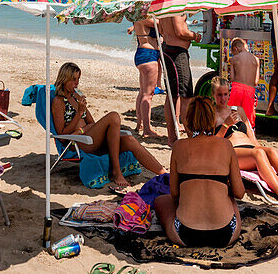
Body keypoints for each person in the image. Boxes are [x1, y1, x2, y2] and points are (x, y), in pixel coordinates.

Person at [50, 62, 166, 191]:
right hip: (77, 143)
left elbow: (92, 124)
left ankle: (165, 174)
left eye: (78, 79)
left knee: (130, 140)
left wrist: (82, 127)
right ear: (64, 79)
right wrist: (79, 114)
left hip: (88, 138)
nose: (76, 83)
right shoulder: (58, 102)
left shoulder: (76, 98)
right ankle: (117, 171)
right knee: (113, 116)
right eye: (73, 80)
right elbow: (62, 136)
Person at [154, 96, 244, 248]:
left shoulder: (178, 146)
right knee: (231, 199)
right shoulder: (226, 145)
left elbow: (175, 194)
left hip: (185, 233)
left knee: (160, 201)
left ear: (188, 120)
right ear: (212, 119)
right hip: (225, 233)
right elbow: (240, 192)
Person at [210, 76, 278, 200]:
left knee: (271, 151)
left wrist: (262, 149)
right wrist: (226, 125)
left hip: (250, 148)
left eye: (226, 94)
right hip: (232, 151)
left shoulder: (238, 110)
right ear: (213, 94)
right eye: (219, 95)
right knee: (258, 153)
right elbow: (212, 144)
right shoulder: (212, 115)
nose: (223, 98)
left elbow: (251, 136)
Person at [159, 13, 200, 144]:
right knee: (185, 96)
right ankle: (190, 136)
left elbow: (161, 28)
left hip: (169, 49)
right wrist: (195, 36)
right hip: (176, 53)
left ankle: (172, 137)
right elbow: (180, 32)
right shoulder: (176, 7)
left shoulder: (168, 5)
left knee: (172, 95)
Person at [128, 19, 161, 138]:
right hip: (148, 54)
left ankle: (140, 124)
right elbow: (160, 24)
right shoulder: (145, 18)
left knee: (142, 92)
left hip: (145, 53)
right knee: (148, 94)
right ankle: (147, 129)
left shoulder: (138, 17)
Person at [228, 37, 259, 125]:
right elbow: (256, 82)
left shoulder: (234, 59)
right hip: (250, 91)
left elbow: (232, 78)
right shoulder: (256, 59)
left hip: (236, 89)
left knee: (233, 115)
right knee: (249, 118)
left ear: (235, 49)